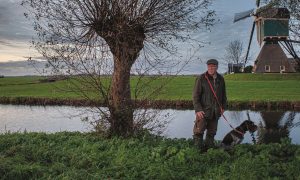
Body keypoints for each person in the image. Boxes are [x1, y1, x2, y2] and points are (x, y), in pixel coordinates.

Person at [192, 59, 227, 150]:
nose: (211, 68)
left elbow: (223, 95)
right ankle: (198, 150)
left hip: (215, 111)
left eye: (213, 66)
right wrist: (198, 109)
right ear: (207, 67)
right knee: (199, 131)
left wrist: (223, 107)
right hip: (203, 111)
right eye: (209, 66)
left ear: (217, 67)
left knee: (212, 132)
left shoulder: (221, 78)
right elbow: (195, 95)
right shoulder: (201, 78)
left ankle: (209, 149)